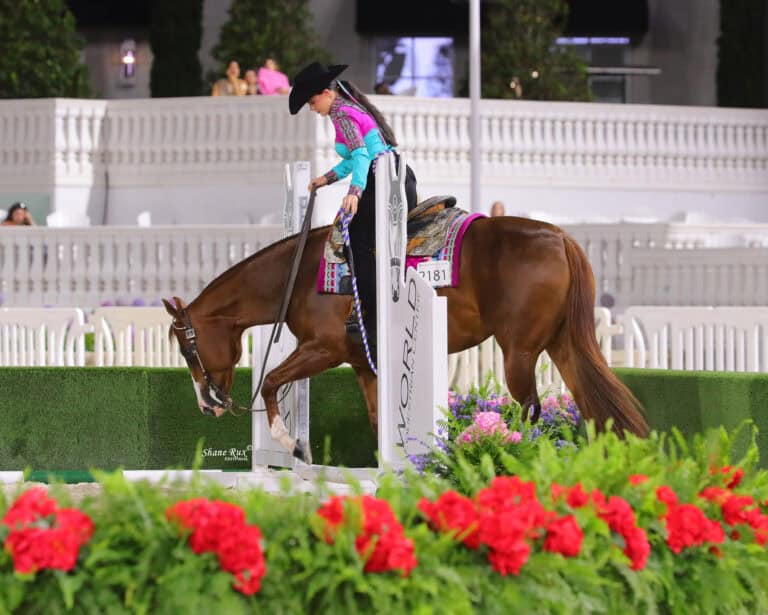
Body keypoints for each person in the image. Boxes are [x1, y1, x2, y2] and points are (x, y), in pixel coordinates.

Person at [289, 62, 417, 358]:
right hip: (391, 174)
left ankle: (369, 313)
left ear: (325, 94)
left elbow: (360, 155)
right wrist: (326, 179)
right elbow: (354, 158)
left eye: (312, 101)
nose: (312, 108)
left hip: (381, 178)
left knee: (356, 238)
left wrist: (355, 192)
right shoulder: (346, 110)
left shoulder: (342, 114)